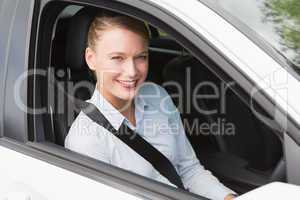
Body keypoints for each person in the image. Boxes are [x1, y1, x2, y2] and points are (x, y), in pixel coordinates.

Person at [65, 10, 236, 200]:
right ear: (91, 59)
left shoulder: (157, 95)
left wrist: (228, 198)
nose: (131, 72)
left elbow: (188, 170)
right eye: (117, 58)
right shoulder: (86, 141)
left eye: (141, 57)